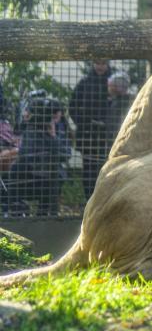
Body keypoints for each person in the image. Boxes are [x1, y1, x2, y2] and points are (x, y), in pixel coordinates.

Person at [3, 98, 71, 217]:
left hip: (49, 180)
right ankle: (16, 209)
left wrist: (53, 136)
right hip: (29, 177)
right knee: (14, 169)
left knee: (55, 174)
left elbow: (66, 154)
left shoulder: (58, 130)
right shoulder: (30, 130)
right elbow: (25, 154)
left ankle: (45, 215)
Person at [70, 59, 114, 200]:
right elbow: (72, 107)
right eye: (97, 63)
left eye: (103, 63)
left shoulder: (113, 83)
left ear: (107, 64)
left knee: (107, 167)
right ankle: (88, 200)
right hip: (87, 135)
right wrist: (83, 123)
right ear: (93, 64)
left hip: (107, 136)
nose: (100, 66)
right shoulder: (84, 83)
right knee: (88, 169)